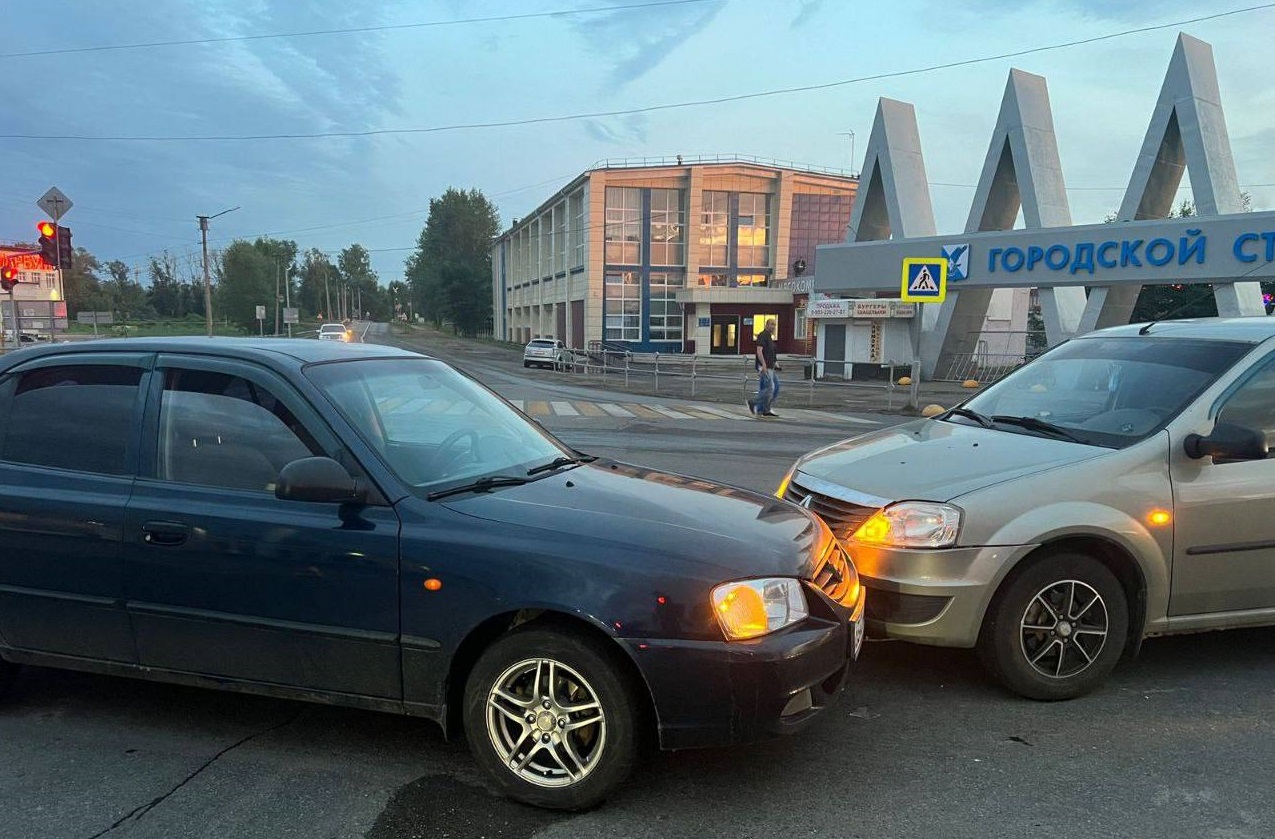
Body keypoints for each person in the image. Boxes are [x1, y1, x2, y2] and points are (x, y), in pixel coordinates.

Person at [747, 319, 781, 417]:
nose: (773, 326)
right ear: (766, 325)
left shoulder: (770, 337)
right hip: (764, 366)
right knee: (770, 388)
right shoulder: (763, 335)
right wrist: (763, 365)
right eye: (771, 324)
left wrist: (776, 363)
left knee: (776, 386)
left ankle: (766, 409)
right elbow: (759, 351)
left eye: (775, 324)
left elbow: (771, 352)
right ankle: (754, 402)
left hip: (771, 366)